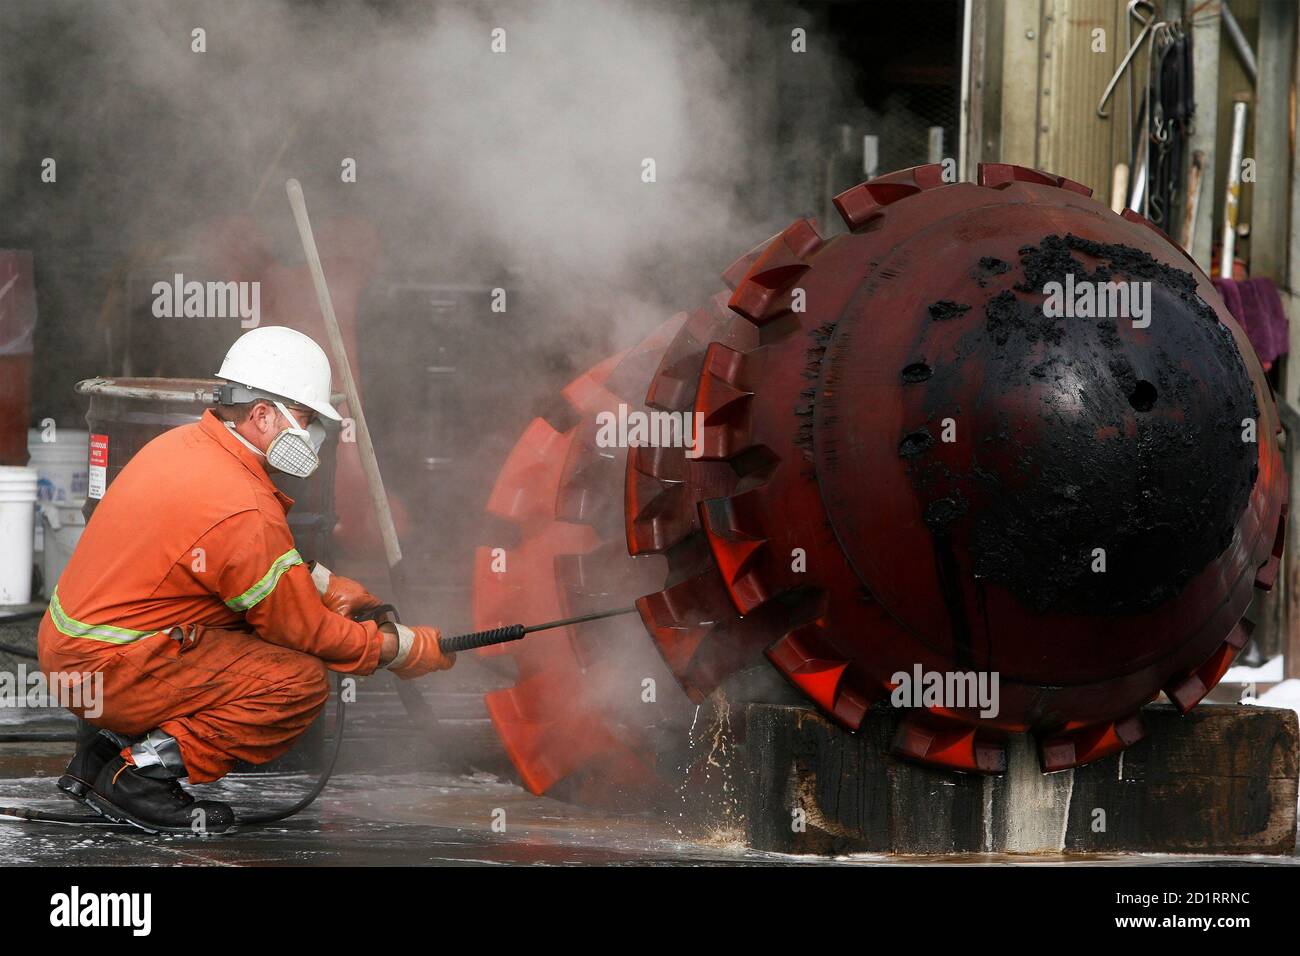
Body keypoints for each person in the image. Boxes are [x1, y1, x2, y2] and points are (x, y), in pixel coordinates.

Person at [37, 326, 454, 834]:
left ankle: (102, 756)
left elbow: (233, 561)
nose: (314, 437)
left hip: (79, 651)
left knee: (245, 634)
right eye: (305, 420)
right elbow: (304, 633)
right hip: (107, 668)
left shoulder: (186, 444)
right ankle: (137, 776)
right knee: (296, 682)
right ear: (262, 415)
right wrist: (400, 648)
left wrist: (325, 586)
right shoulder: (242, 506)